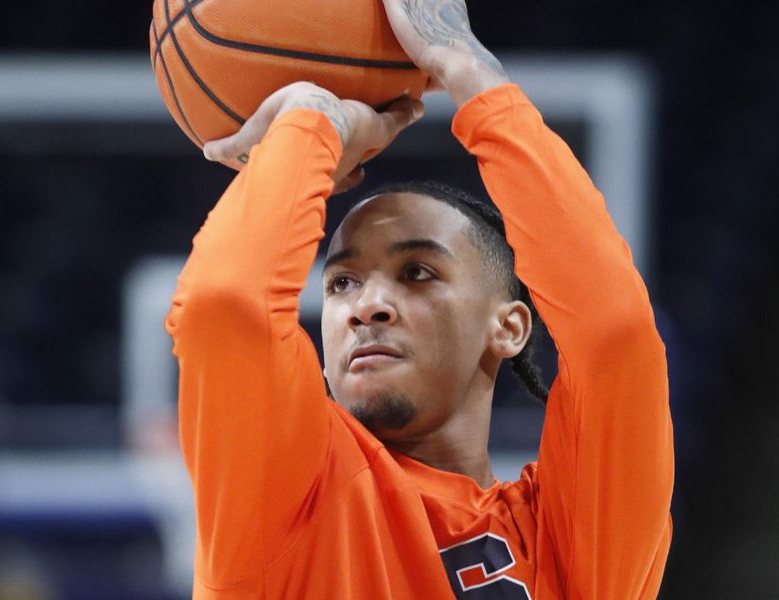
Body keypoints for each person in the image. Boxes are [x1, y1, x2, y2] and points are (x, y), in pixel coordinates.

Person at [166, 0, 674, 597]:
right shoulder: (281, 496)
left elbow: (614, 333)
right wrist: (313, 120)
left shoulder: (568, 541)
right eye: (341, 283)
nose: (366, 306)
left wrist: (468, 70)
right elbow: (225, 308)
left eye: (418, 272)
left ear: (510, 327)